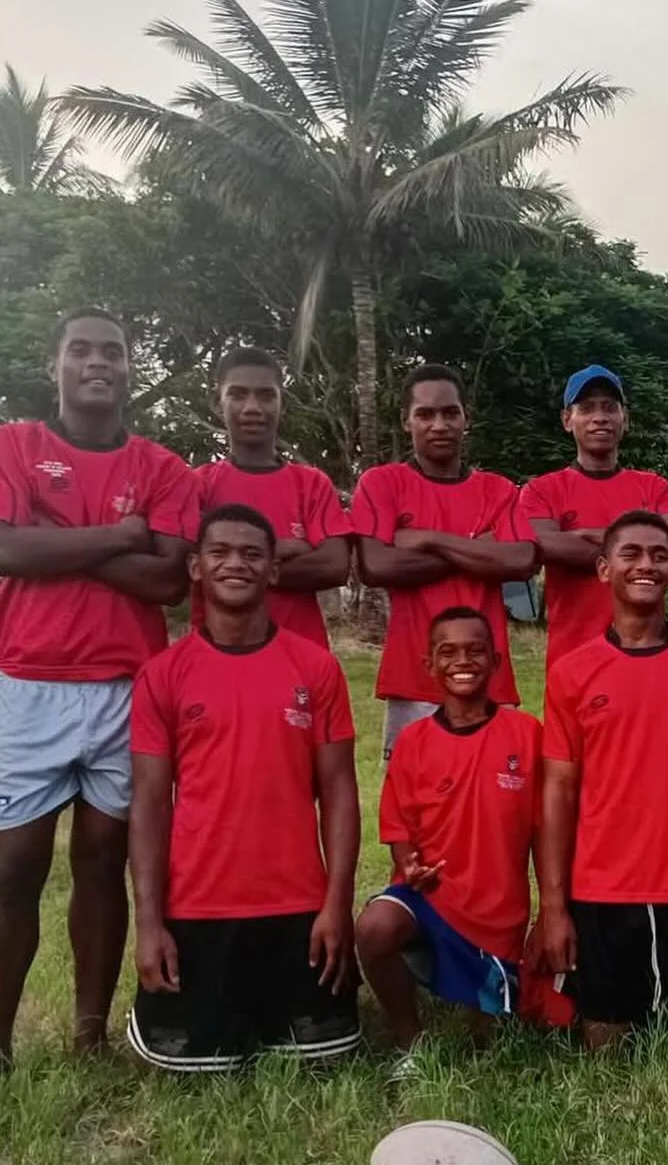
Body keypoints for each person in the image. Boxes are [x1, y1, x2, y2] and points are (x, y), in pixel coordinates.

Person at [0, 308, 197, 1068]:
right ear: (56, 364)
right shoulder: (15, 445)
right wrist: (120, 534)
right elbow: (7, 548)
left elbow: (169, 578)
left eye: (111, 352)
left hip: (128, 685)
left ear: (127, 368)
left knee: (102, 858)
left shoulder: (163, 467)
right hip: (27, 681)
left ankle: (89, 1034)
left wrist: (55, 543)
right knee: (14, 866)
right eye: (80, 349)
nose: (96, 362)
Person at [126, 504, 361, 1072]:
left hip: (298, 907)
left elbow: (339, 793)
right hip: (199, 909)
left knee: (321, 1058)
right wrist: (151, 924)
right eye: (221, 552)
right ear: (195, 567)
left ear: (274, 570)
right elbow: (151, 806)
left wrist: (337, 907)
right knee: (193, 1068)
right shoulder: (163, 674)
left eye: (253, 553)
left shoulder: (316, 668)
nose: (237, 564)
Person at [537, 510, 668, 1050]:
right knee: (605, 1045)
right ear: (604, 569)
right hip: (601, 889)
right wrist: (554, 905)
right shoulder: (573, 673)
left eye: (659, 555)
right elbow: (557, 792)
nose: (646, 564)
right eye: (630, 554)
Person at [357, 606, 542, 1058]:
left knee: (489, 1042)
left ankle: (482, 988)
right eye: (448, 652)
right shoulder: (413, 742)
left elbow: (547, 830)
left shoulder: (527, 734)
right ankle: (409, 1042)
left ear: (497, 662)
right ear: (430, 665)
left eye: (476, 651)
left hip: (497, 913)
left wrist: (553, 911)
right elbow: (398, 824)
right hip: (430, 898)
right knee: (375, 928)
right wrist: (409, 864)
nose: (463, 661)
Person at [351, 364, 538, 760]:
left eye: (450, 413)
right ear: (407, 421)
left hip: (490, 682)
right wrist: (479, 550)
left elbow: (522, 560)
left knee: (499, 810)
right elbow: (376, 566)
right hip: (414, 681)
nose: (439, 424)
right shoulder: (382, 483)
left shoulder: (498, 490)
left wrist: (427, 539)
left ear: (465, 419)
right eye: (425, 414)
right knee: (415, 811)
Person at [516, 365, 668, 672]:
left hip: (649, 656)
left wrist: (581, 536)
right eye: (587, 408)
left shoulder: (654, 487)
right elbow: (543, 546)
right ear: (568, 420)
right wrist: (643, 542)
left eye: (610, 407)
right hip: (572, 660)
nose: (600, 417)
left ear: (625, 419)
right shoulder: (542, 490)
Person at [192, 347, 352, 648]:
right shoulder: (197, 484)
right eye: (238, 395)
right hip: (214, 657)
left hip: (302, 656)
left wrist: (232, 566)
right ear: (217, 403)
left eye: (266, 395)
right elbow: (189, 569)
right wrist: (290, 547)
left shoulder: (312, 483)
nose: (252, 407)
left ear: (282, 403)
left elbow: (334, 566)